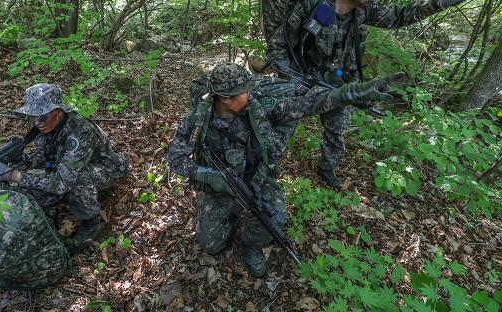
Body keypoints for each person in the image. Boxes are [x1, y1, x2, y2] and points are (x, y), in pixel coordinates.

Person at [264, 0, 482, 189]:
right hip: (304, 78)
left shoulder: (364, 10)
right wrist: (290, 77)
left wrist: (440, 3)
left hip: (338, 80)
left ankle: (327, 170)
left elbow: (399, 16)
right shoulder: (313, 7)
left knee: (337, 132)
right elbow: (277, 47)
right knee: (283, 126)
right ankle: (266, 170)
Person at [167, 62, 398, 276]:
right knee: (210, 245)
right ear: (225, 98)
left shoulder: (255, 107)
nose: (250, 95)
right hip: (220, 185)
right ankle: (227, 213)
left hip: (256, 175)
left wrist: (351, 93)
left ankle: (250, 245)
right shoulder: (197, 119)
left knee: (275, 216)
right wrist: (208, 175)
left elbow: (306, 105)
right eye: (244, 92)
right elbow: (175, 158)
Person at [0, 83, 129, 249]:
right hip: (71, 166)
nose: (38, 122)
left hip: (109, 168)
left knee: (76, 179)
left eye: (43, 116)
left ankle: (91, 223)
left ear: (59, 112)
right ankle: (46, 219)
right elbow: (43, 159)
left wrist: (13, 175)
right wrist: (24, 162)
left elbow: (62, 183)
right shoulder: (45, 129)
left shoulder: (80, 132)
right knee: (38, 178)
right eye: (33, 116)